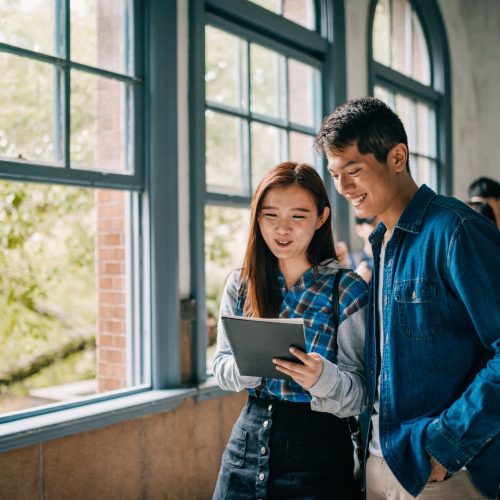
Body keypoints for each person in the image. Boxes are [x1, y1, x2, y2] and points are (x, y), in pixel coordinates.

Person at [314, 97, 500, 500]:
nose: (343, 188)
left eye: (354, 170)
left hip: (441, 472)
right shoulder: (382, 242)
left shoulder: (457, 231)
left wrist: (445, 444)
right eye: (334, 174)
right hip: (376, 462)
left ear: (398, 156)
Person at [212, 161, 369, 499]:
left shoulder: (346, 288)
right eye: (270, 216)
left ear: (321, 218)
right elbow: (220, 368)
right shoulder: (241, 284)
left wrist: (321, 378)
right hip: (246, 447)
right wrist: (249, 365)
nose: (282, 229)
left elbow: (363, 393)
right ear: (257, 217)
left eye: (297, 216)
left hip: (320, 453)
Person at [352, 216, 379, 283]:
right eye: (373, 223)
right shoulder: (350, 262)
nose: (379, 227)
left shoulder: (390, 259)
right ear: (359, 229)